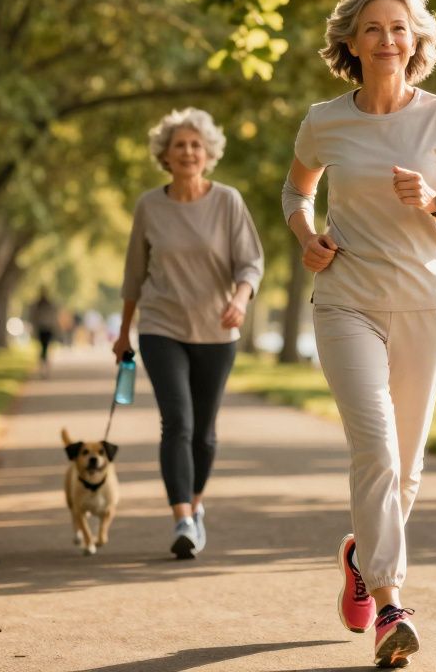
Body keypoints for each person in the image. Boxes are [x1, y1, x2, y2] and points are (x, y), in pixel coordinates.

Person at [281, 0, 436, 668]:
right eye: (373, 28)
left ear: (415, 40)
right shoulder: (325, 120)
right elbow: (296, 189)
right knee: (375, 449)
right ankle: (390, 604)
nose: (387, 39)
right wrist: (306, 235)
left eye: (399, 27)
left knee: (405, 465)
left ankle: (359, 556)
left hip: (426, 306)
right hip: (347, 301)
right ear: (350, 41)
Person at [114, 107, 264, 560]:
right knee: (177, 422)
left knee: (204, 431)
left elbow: (250, 263)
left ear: (208, 153)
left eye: (196, 145)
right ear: (165, 154)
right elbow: (134, 273)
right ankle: (181, 517)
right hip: (161, 327)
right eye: (179, 145)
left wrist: (240, 300)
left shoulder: (228, 201)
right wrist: (124, 332)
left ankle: (196, 507)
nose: (188, 152)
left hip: (217, 331)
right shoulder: (150, 205)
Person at [31, 289, 58, 378]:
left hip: (48, 329)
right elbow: (34, 317)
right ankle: (43, 367)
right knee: (43, 348)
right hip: (41, 329)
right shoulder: (38, 305)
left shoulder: (49, 305)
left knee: (45, 348)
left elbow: (53, 317)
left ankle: (44, 367)